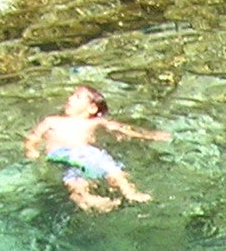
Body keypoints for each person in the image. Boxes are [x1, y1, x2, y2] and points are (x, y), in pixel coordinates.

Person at [23, 86, 165, 214]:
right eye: (71, 95)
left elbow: (121, 128)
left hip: (88, 153)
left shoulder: (94, 122)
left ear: (92, 108)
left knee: (114, 170)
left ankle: (130, 193)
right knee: (75, 182)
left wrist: (150, 135)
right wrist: (31, 149)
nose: (70, 98)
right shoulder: (52, 120)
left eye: (77, 97)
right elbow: (34, 136)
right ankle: (88, 199)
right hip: (64, 154)